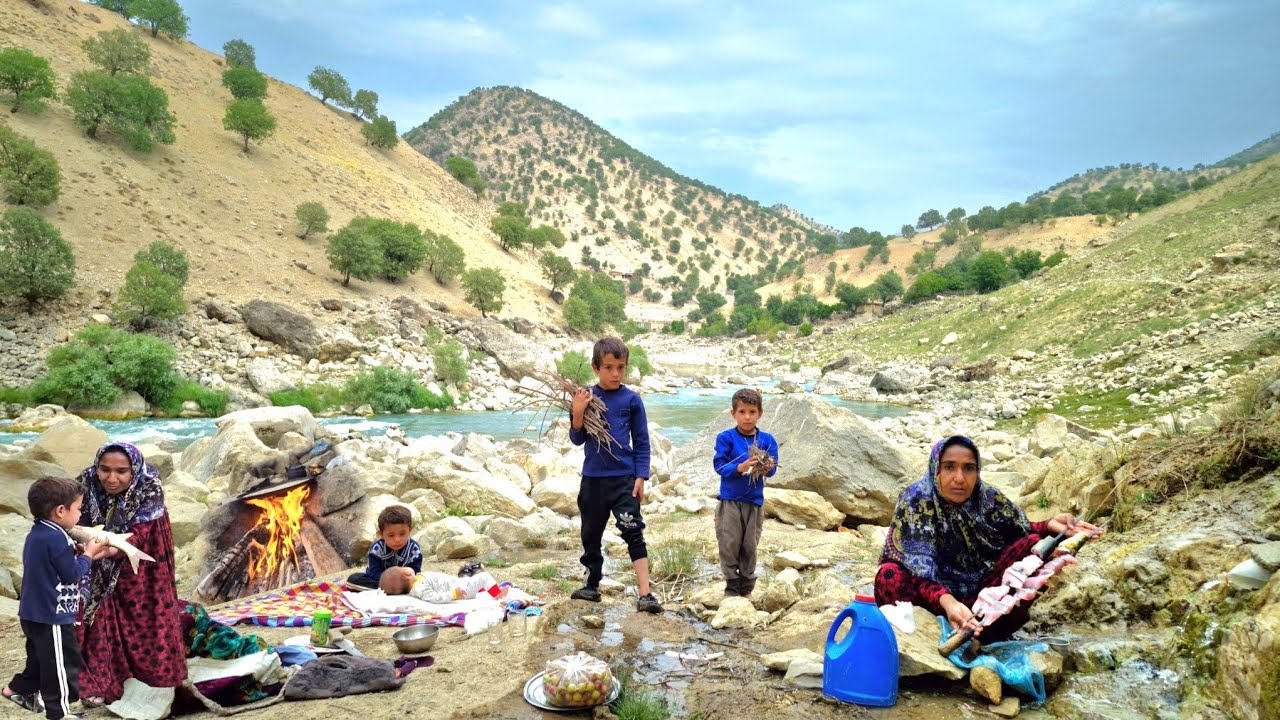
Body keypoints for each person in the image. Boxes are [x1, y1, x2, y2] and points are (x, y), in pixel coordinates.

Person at [875, 436, 1102, 641]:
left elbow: (1017, 532)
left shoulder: (988, 499)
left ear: (978, 472)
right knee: (889, 575)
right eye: (949, 467)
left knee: (1034, 546)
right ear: (936, 469)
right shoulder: (916, 501)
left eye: (969, 468)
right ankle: (924, 640)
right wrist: (947, 601)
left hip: (981, 599)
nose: (959, 478)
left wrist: (1051, 527)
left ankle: (983, 632)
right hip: (929, 602)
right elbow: (915, 569)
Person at [75, 443, 187, 706]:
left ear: (133, 470)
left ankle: (151, 679)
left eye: (121, 471)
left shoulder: (149, 486)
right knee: (97, 615)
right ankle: (102, 682)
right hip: (94, 554)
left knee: (143, 616)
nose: (111, 479)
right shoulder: (84, 483)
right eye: (105, 469)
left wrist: (110, 551)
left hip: (145, 562)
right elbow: (74, 521)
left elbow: (139, 535)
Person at [568, 337, 662, 614]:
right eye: (608, 367)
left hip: (624, 479)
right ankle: (591, 585)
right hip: (593, 479)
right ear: (595, 367)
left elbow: (642, 442)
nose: (615, 374)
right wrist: (577, 413)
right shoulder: (584, 397)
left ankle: (645, 593)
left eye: (621, 367)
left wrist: (641, 475)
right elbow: (577, 438)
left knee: (633, 531)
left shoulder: (632, 400)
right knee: (590, 533)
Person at [4, 477, 110, 720]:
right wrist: (90, 555)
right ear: (61, 511)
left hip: (32, 612)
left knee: (40, 660)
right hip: (52, 614)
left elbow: (51, 565)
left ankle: (18, 689)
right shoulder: (58, 537)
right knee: (61, 664)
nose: (80, 513)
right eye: (78, 508)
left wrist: (77, 554)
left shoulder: (38, 533)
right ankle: (59, 714)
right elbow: (71, 574)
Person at [712, 388, 779, 600]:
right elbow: (719, 466)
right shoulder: (726, 438)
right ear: (733, 414)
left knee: (750, 545)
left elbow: (774, 469)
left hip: (754, 502)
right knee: (729, 543)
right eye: (742, 412)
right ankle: (731, 587)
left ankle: (747, 588)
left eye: (752, 411)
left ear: (760, 414)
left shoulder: (767, 440)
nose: (747, 417)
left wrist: (767, 467)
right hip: (730, 501)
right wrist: (740, 468)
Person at [346, 505, 423, 589]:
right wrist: (391, 582)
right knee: (353, 579)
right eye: (391, 535)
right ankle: (394, 590)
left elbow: (416, 572)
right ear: (381, 534)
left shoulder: (413, 549)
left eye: (402, 534)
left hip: (404, 582)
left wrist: (407, 577)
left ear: (409, 531)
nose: (397, 539)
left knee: (421, 581)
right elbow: (374, 573)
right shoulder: (377, 549)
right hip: (380, 581)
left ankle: (395, 590)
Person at [378, 567, 508, 602]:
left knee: (474, 578)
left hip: (458, 583)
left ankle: (483, 589)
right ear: (406, 573)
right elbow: (436, 598)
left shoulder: (418, 581)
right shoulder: (419, 588)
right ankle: (498, 595)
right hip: (460, 590)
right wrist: (453, 594)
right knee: (484, 576)